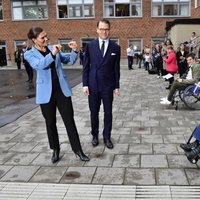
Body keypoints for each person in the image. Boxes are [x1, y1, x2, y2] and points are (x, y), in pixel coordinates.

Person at [24, 26, 89, 163]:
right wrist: (52, 54)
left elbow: (69, 61)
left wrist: (74, 50)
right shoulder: (29, 54)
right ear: (34, 40)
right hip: (45, 93)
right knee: (50, 123)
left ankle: (78, 150)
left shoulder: (53, 48)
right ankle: (55, 149)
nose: (46, 39)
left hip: (61, 90)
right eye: (42, 38)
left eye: (46, 36)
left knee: (69, 121)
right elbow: (40, 65)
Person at [82, 19, 120, 149]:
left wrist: (116, 86)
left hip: (108, 86)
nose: (104, 32)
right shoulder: (90, 46)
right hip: (93, 86)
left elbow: (116, 69)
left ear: (109, 30)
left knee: (108, 112)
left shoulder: (115, 47)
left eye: (107, 29)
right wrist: (85, 84)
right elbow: (86, 67)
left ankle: (107, 137)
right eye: (102, 29)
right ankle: (94, 135)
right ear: (97, 30)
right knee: (94, 112)